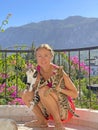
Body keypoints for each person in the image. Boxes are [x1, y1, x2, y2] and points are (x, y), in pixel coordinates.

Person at [22, 44, 78, 130]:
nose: (42, 59)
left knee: (43, 90)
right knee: (26, 94)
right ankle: (42, 121)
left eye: (46, 55)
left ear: (51, 57)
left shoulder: (58, 71)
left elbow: (75, 94)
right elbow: (33, 92)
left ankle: (58, 123)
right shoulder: (38, 71)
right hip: (48, 110)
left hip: (64, 110)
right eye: (39, 56)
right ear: (36, 58)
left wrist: (59, 89)